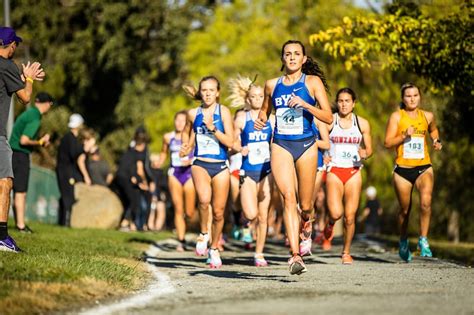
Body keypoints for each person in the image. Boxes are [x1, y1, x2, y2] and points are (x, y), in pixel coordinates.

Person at [255, 40, 333, 275]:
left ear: (304, 59)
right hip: (281, 145)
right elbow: (265, 110)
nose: (291, 57)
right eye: (287, 54)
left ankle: (306, 222)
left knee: (305, 205)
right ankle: (295, 255)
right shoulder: (272, 84)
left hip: (307, 145)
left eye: (296, 54)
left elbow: (328, 117)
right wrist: (261, 119)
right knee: (288, 197)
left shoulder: (312, 82)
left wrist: (305, 106)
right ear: (282, 58)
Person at [384, 82, 442, 262]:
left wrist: (436, 141)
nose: (412, 99)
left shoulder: (428, 116)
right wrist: (403, 136)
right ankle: (403, 240)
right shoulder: (396, 117)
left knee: (426, 202)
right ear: (403, 99)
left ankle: (423, 240)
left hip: (424, 166)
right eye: (408, 96)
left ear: (420, 97)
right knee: (404, 210)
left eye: (415, 95)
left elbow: (433, 130)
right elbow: (387, 143)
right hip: (403, 169)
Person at [181, 75, 234, 268]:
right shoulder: (193, 113)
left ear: (217, 92)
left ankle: (214, 248)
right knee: (204, 200)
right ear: (200, 92)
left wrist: (214, 130)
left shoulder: (224, 112)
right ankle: (204, 233)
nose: (208, 93)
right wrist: (186, 146)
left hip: (220, 165)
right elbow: (187, 131)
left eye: (211, 90)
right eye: (204, 90)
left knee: (219, 212)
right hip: (200, 163)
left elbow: (231, 142)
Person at [0, 27, 45, 252]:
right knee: (5, 183)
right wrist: (28, 79)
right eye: (14, 44)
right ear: (12, 46)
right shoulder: (7, 65)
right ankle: (1, 237)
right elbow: (25, 98)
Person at [323, 87, 373, 265]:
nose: (344, 104)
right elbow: (318, 141)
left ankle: (346, 252)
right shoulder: (331, 122)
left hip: (353, 171)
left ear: (354, 103)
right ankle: (329, 224)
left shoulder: (362, 124)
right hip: (335, 170)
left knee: (350, 216)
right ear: (337, 103)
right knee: (336, 213)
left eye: (347, 101)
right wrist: (324, 154)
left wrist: (364, 154)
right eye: (341, 101)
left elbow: (370, 149)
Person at [230, 75, 274, 267]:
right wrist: (240, 148)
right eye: (253, 97)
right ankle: (244, 221)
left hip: (267, 171)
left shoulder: (271, 119)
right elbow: (231, 143)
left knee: (263, 216)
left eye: (260, 96)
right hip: (248, 171)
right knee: (251, 214)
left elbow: (277, 144)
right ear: (248, 100)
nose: (257, 100)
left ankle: (259, 253)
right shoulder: (241, 119)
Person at [10, 92, 53, 233]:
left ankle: (18, 223)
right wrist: (40, 142)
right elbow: (24, 140)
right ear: (47, 104)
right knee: (20, 192)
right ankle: (21, 226)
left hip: (12, 154)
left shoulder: (29, 114)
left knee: (12, 190)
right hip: (20, 155)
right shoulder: (35, 117)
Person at [157, 111, 196, 250]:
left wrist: (190, 160)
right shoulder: (168, 137)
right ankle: (181, 240)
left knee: (190, 213)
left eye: (183, 120)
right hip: (174, 173)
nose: (179, 123)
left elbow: (200, 153)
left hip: (189, 173)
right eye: (177, 120)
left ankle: (193, 227)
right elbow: (163, 152)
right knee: (178, 209)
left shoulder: (193, 136)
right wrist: (159, 161)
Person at [56, 113, 90, 226]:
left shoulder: (71, 138)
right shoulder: (69, 138)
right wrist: (85, 149)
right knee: (68, 196)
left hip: (66, 170)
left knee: (67, 195)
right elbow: (74, 153)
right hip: (65, 171)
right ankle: (65, 223)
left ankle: (64, 222)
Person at [116, 131, 150, 231]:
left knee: (128, 200)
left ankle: (130, 224)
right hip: (127, 178)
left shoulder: (128, 151)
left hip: (120, 177)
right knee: (134, 200)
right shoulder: (139, 154)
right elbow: (139, 170)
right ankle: (125, 223)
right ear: (143, 144)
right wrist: (144, 182)